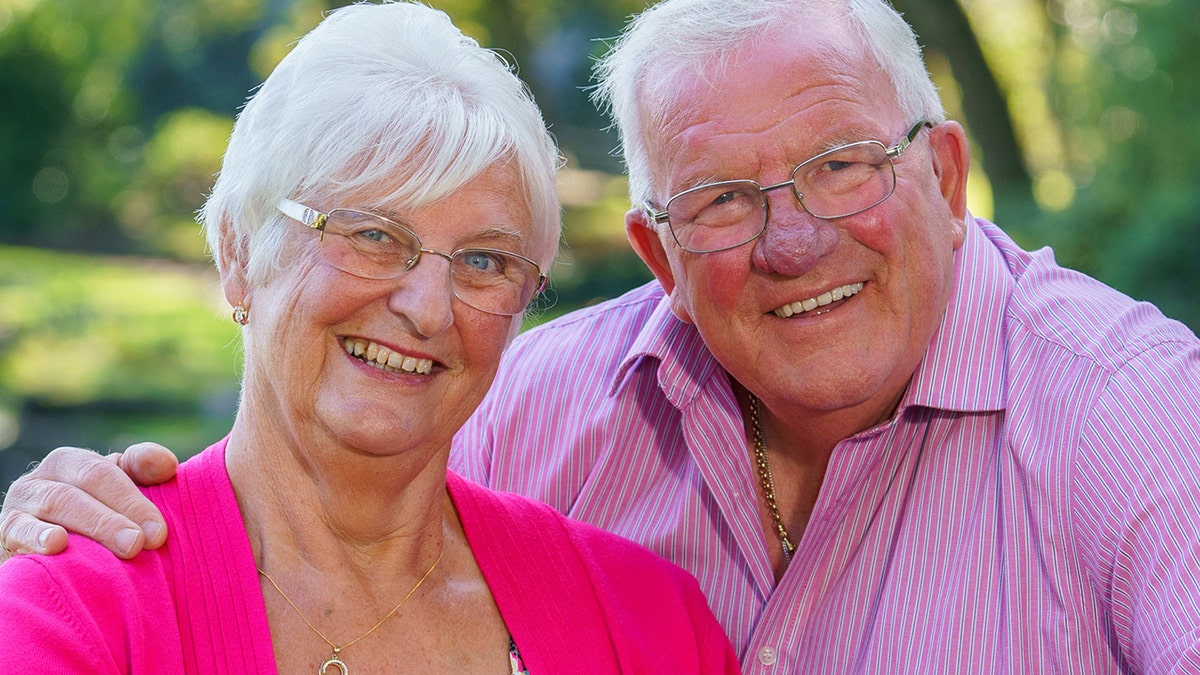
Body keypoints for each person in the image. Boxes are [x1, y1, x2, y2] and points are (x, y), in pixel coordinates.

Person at [4, 0, 1200, 671]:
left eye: (842, 168)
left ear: (944, 171)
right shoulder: (540, 402)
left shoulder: (1136, 421)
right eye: (722, 200)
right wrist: (63, 519)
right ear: (656, 255)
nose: (791, 242)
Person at [0, 3, 740, 673]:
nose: (427, 307)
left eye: (484, 261)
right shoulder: (73, 617)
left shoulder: (654, 625)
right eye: (373, 234)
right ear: (238, 252)